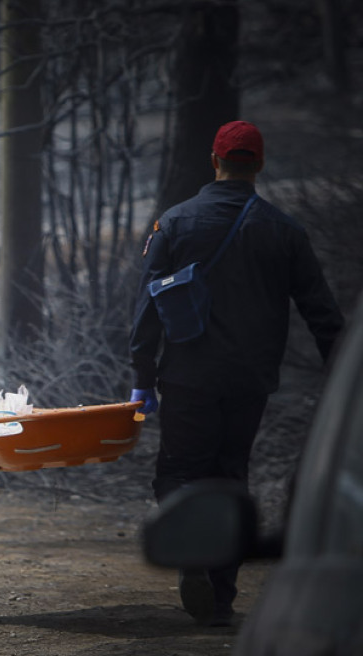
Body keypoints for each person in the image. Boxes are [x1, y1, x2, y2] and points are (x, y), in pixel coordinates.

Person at [128, 120, 343, 627]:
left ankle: (192, 557)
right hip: (250, 380)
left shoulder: (174, 223)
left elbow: (148, 308)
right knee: (230, 475)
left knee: (180, 471)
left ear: (214, 161)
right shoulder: (285, 230)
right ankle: (221, 600)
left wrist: (142, 375)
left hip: (186, 376)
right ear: (259, 165)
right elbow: (322, 314)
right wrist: (343, 387)